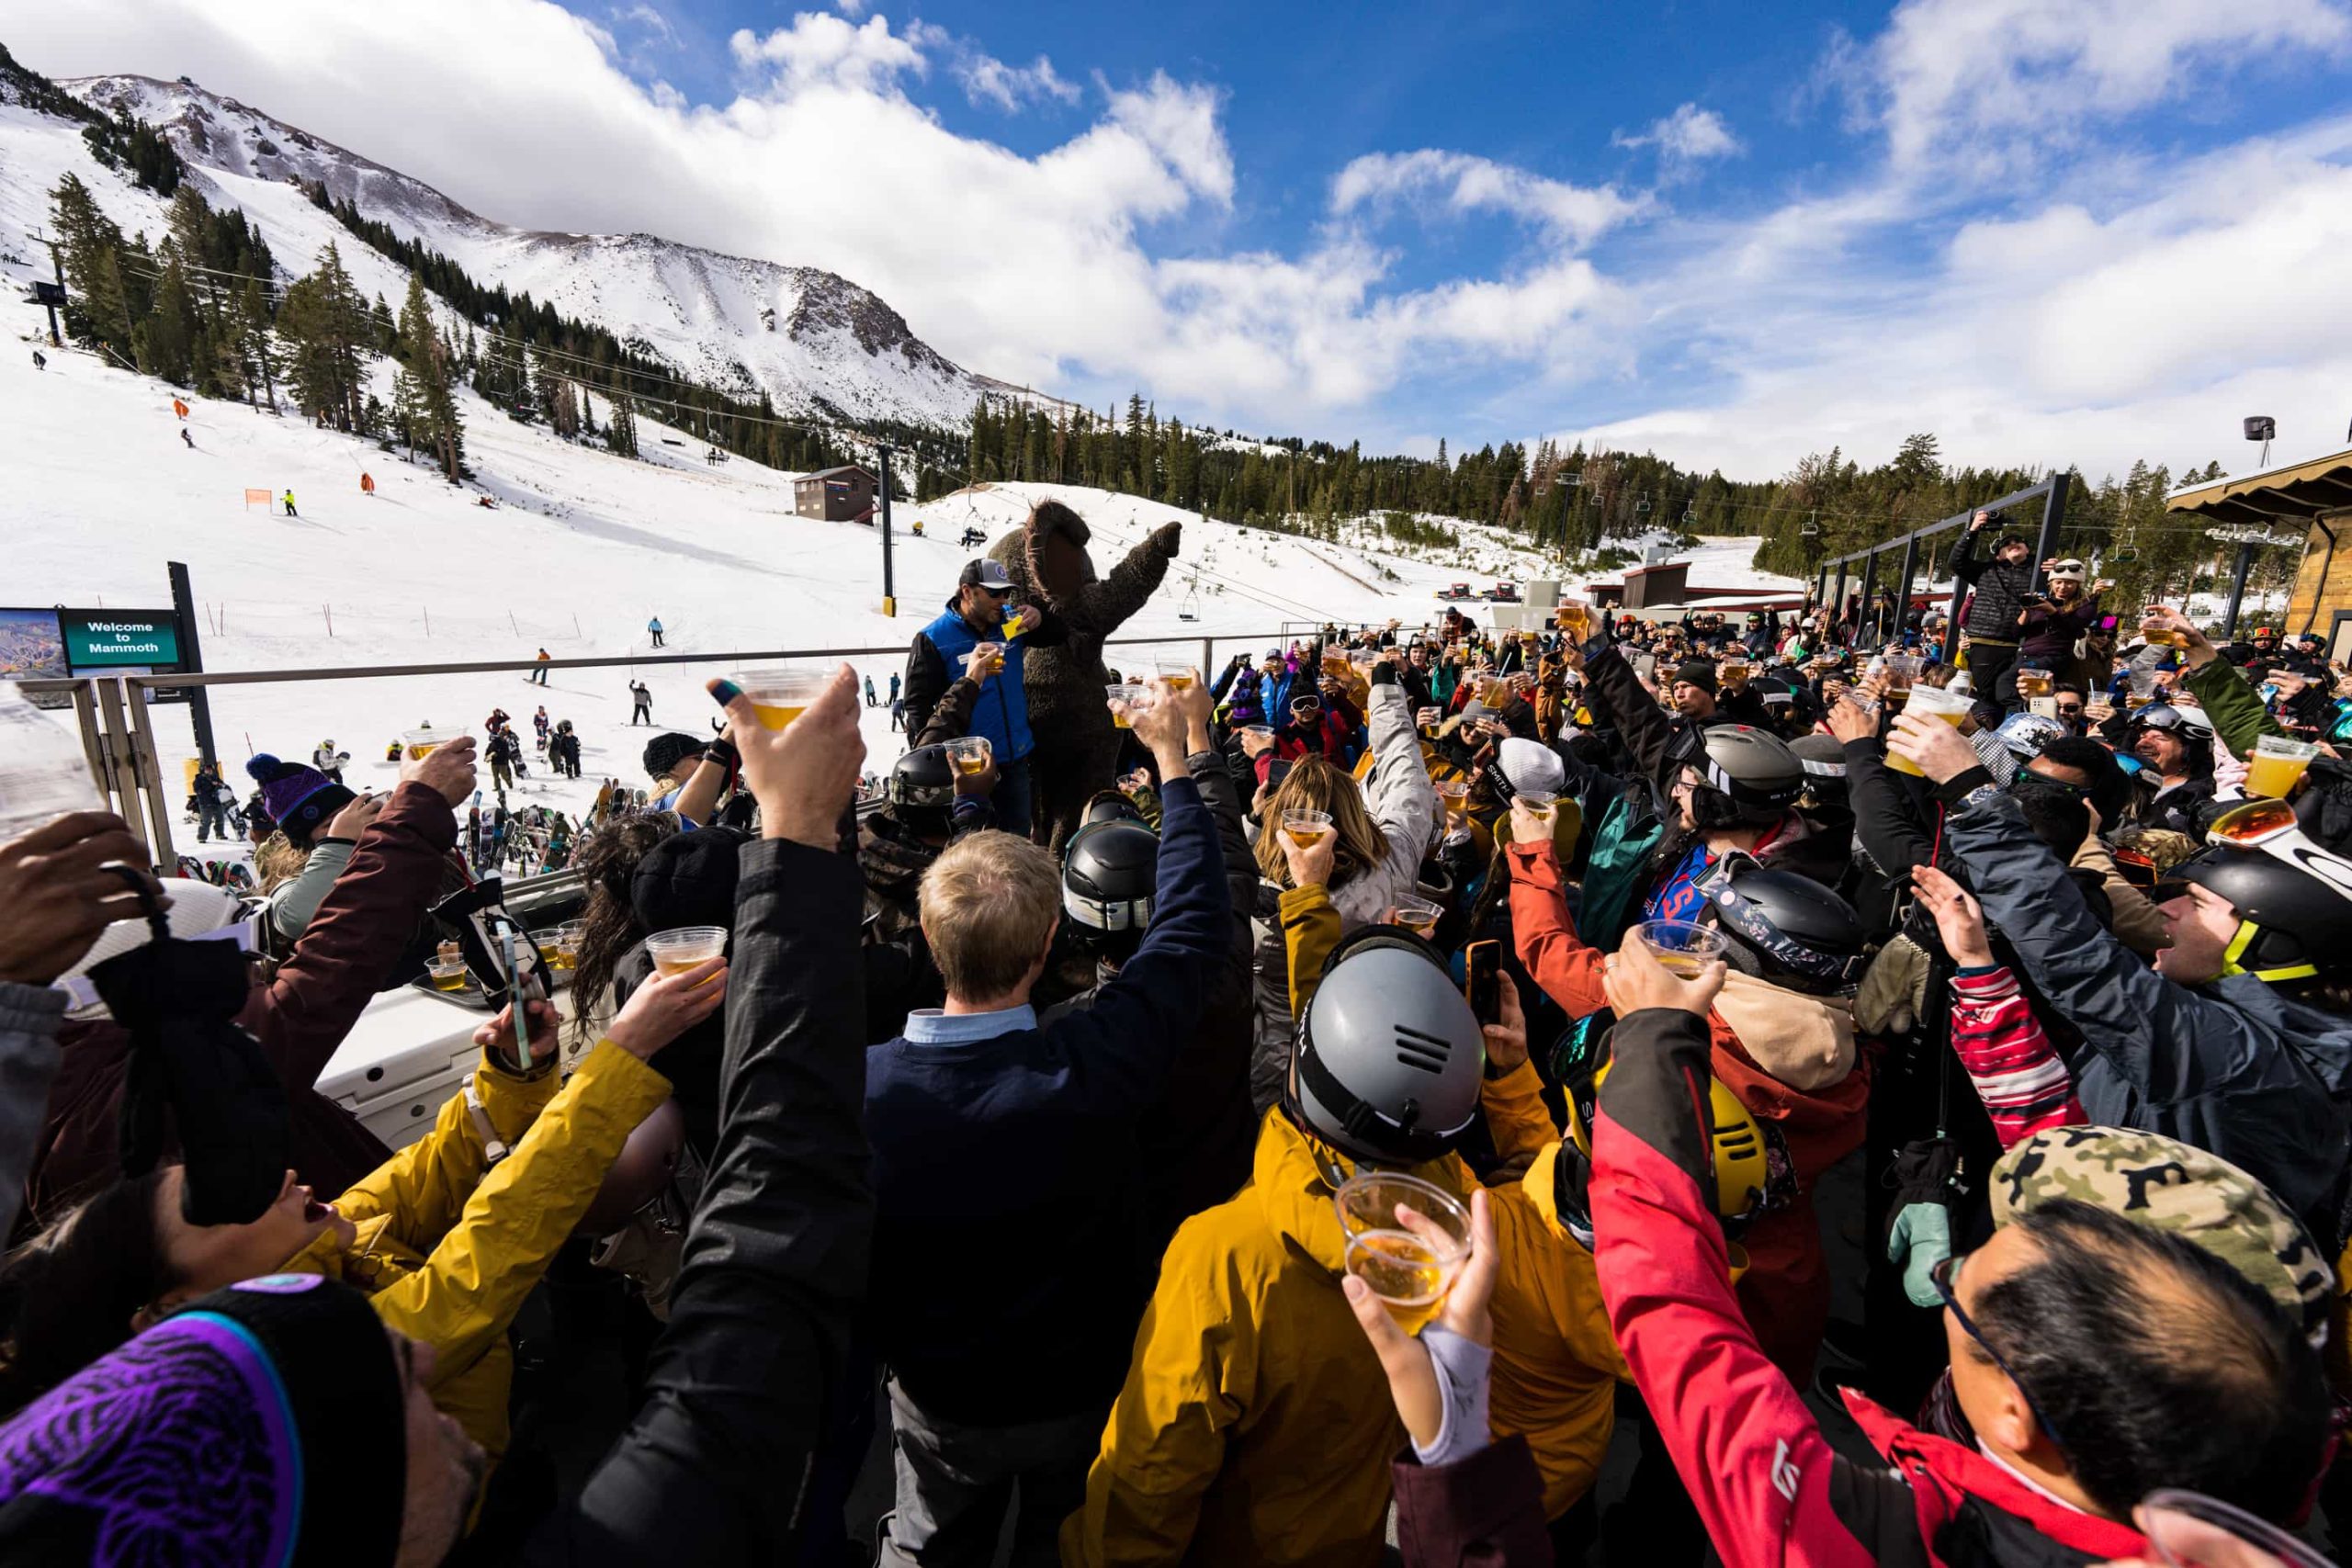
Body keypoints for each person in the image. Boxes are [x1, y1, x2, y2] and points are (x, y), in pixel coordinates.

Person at [1586, 936, 2334, 1567]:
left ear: (2018, 1411)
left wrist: (1653, 1038)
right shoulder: (2243, 1431)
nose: (1945, 1274)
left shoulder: (1873, 1537)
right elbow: (2056, 1147)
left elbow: (1673, 1304)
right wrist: (1976, 962)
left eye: (1958, 1287)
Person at [865, 677, 1227, 1567]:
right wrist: (1175, 764)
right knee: (1061, 1536)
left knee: (925, 1540)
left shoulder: (862, 1093)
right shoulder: (1090, 1063)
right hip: (1079, 1379)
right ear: (1043, 951)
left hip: (939, 1391)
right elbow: (1187, 932)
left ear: (926, 932)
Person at [1887, 706, 2352, 1239]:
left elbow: (2078, 961)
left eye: (2196, 903)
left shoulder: (2240, 1058)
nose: (2168, 912)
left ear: (2268, 940)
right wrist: (1977, 965)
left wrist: (1971, 790)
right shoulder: (2251, 1025)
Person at [901, 558, 1065, 837]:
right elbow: (916, 707)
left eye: (1006, 593)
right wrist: (933, 766)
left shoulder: (1010, 624)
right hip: (969, 770)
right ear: (967, 591)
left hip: (1014, 760)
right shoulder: (933, 638)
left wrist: (1041, 618)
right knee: (975, 847)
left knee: (1018, 842)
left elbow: (1058, 634)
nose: (1002, 600)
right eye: (993, 593)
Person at [1948, 508, 2039, 705]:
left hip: (2019, 644)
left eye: (2018, 542)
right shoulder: (1986, 571)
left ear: (2028, 550)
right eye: (2006, 544)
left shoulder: (2038, 572)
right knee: (1984, 695)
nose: (2013, 544)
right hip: (1985, 642)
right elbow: (1956, 562)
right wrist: (1972, 530)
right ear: (1998, 555)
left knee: (2011, 696)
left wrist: (2052, 566)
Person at [189, 758, 230, 842]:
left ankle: (220, 834)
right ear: (203, 770)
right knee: (206, 821)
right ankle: (202, 837)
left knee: (220, 818)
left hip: (216, 801)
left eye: (210, 769)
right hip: (205, 803)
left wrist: (217, 784)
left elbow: (223, 785)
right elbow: (197, 790)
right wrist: (210, 788)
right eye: (207, 769)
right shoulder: (199, 780)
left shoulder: (215, 777)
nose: (209, 771)